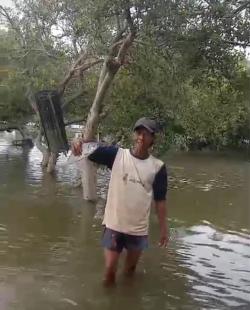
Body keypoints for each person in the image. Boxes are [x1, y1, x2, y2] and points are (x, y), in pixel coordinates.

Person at [71, 117, 168, 285]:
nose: (141, 138)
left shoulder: (158, 167)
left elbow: (160, 201)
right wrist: (78, 141)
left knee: (130, 271)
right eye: (139, 133)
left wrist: (164, 229)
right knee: (109, 270)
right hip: (114, 225)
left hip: (138, 229)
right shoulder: (116, 155)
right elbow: (88, 149)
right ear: (134, 135)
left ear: (153, 139)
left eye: (146, 134)